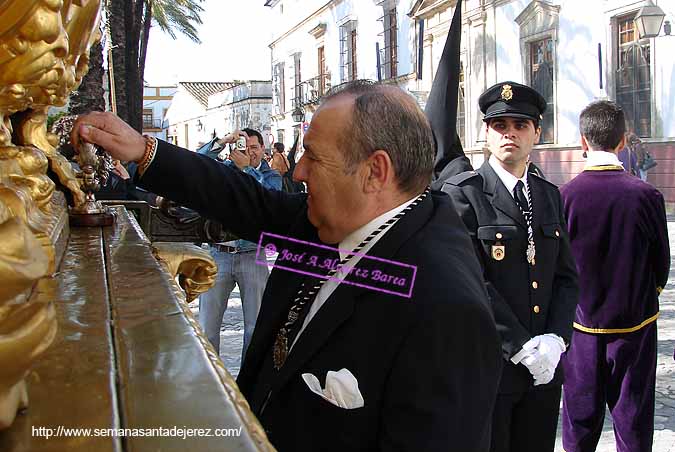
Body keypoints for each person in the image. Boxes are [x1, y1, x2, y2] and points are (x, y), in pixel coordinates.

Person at [72, 80, 502, 452]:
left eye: (313, 157)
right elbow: (244, 200)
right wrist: (144, 152)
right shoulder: (329, 221)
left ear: (375, 171)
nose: (297, 172)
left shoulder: (444, 309)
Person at [442, 81, 579, 452]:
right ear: (485, 132)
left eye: (520, 125)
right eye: (500, 126)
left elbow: (566, 277)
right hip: (492, 370)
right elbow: (470, 282)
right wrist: (520, 346)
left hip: (544, 373)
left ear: (536, 133)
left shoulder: (548, 195)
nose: (510, 134)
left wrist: (556, 339)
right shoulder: (462, 195)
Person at [560, 100, 670, 452]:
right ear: (623, 141)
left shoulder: (565, 196)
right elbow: (661, 263)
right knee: (634, 423)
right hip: (634, 327)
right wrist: (643, 294)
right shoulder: (646, 195)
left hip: (581, 328)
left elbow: (560, 266)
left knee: (579, 425)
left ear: (582, 141)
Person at [200, 128, 281, 360]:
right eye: (245, 147)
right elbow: (199, 163)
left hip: (252, 253)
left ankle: (249, 383)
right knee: (207, 326)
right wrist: (222, 141)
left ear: (262, 150)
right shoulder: (225, 171)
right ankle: (211, 378)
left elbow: (269, 202)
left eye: (254, 148)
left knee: (255, 328)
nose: (249, 152)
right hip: (219, 254)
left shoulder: (270, 175)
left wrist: (247, 170)